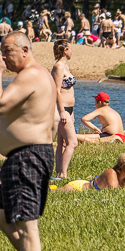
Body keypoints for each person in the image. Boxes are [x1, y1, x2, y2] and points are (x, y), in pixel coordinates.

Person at [0, 32, 57, 251]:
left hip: (27, 156)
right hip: (24, 156)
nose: (3, 57)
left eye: (7, 51)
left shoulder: (30, 74)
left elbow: (0, 105)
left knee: (27, 225)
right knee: (0, 215)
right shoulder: (39, 75)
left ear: (25, 50)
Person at [50, 41, 77, 178]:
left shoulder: (65, 66)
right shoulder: (59, 67)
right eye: (70, 49)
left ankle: (59, 173)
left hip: (68, 108)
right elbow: (56, 90)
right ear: (65, 50)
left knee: (63, 142)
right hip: (61, 108)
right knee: (73, 143)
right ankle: (63, 174)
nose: (72, 52)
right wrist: (62, 111)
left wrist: (71, 112)